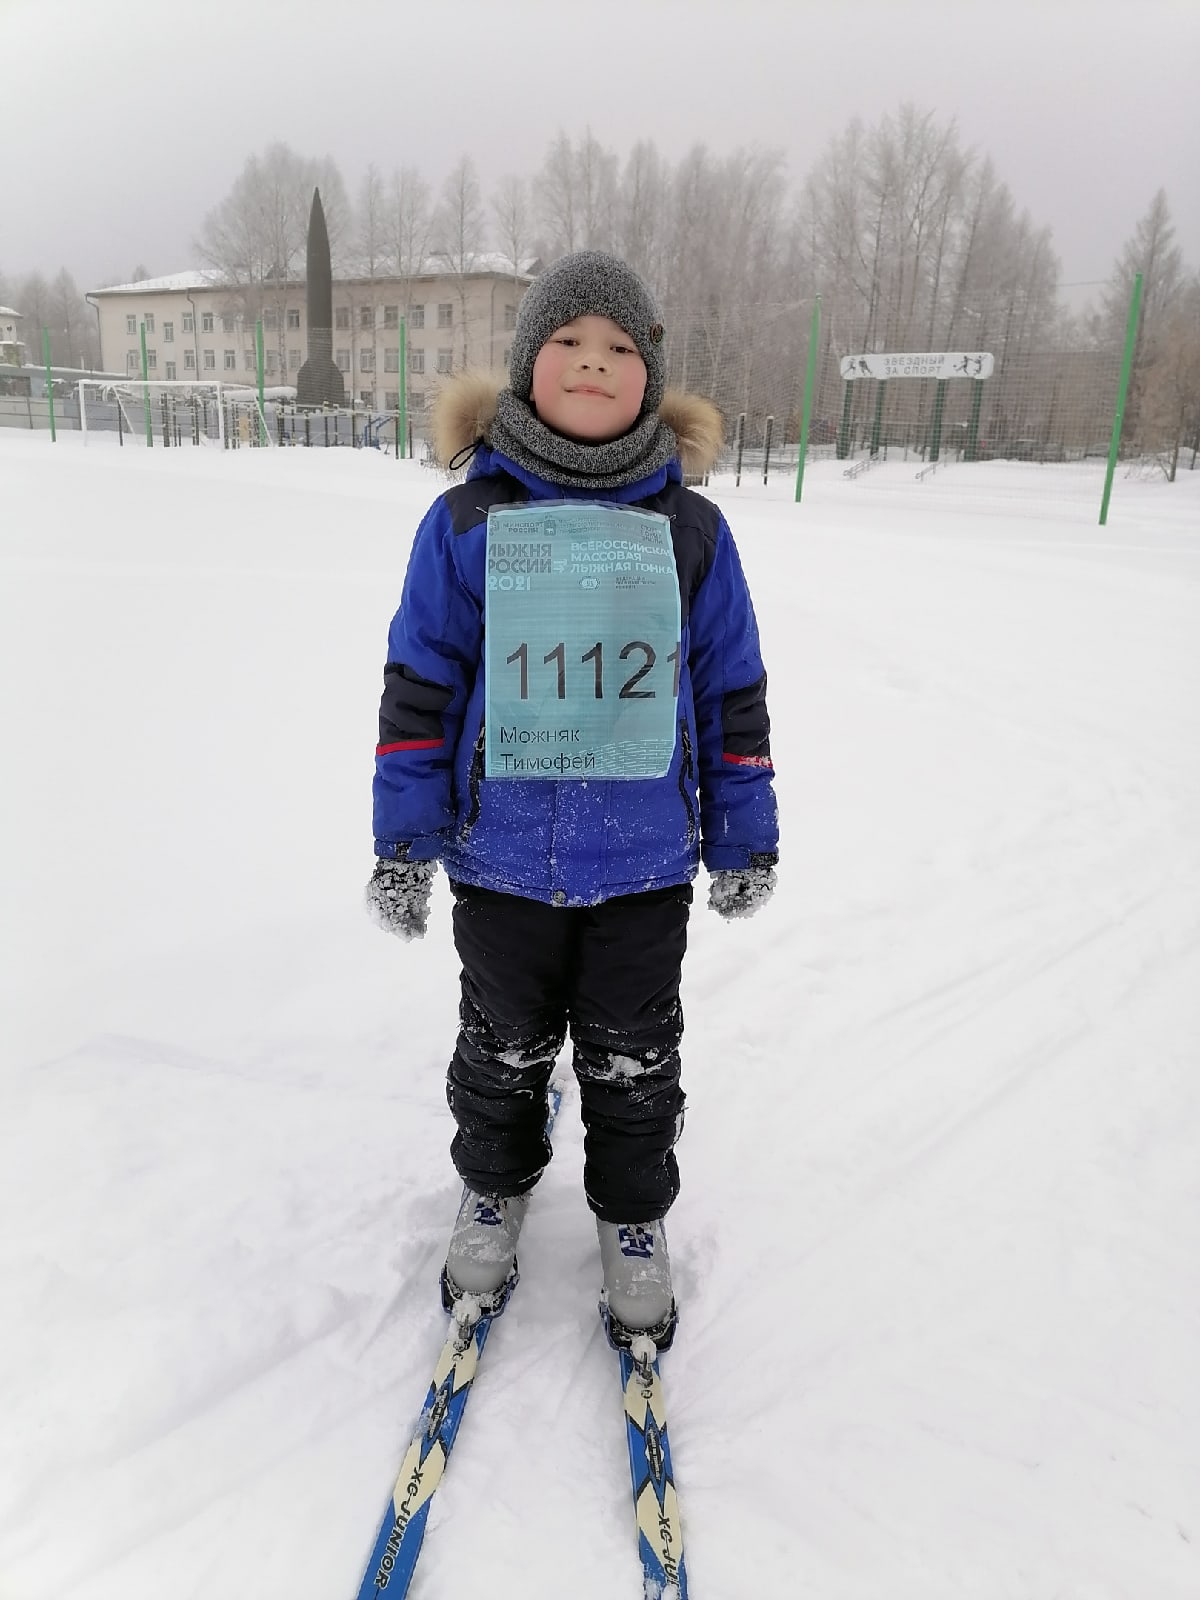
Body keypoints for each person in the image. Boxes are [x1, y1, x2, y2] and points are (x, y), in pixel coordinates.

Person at [365, 251, 778, 1348]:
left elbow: (729, 689)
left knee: (636, 1056)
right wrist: (405, 838)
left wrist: (743, 834)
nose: (593, 363)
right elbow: (421, 686)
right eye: (568, 342)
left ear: (650, 378)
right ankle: (492, 1188)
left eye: (619, 348)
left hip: (642, 863)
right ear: (526, 363)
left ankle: (632, 1216)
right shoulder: (467, 521)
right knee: (499, 1042)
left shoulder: (691, 532)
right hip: (500, 860)